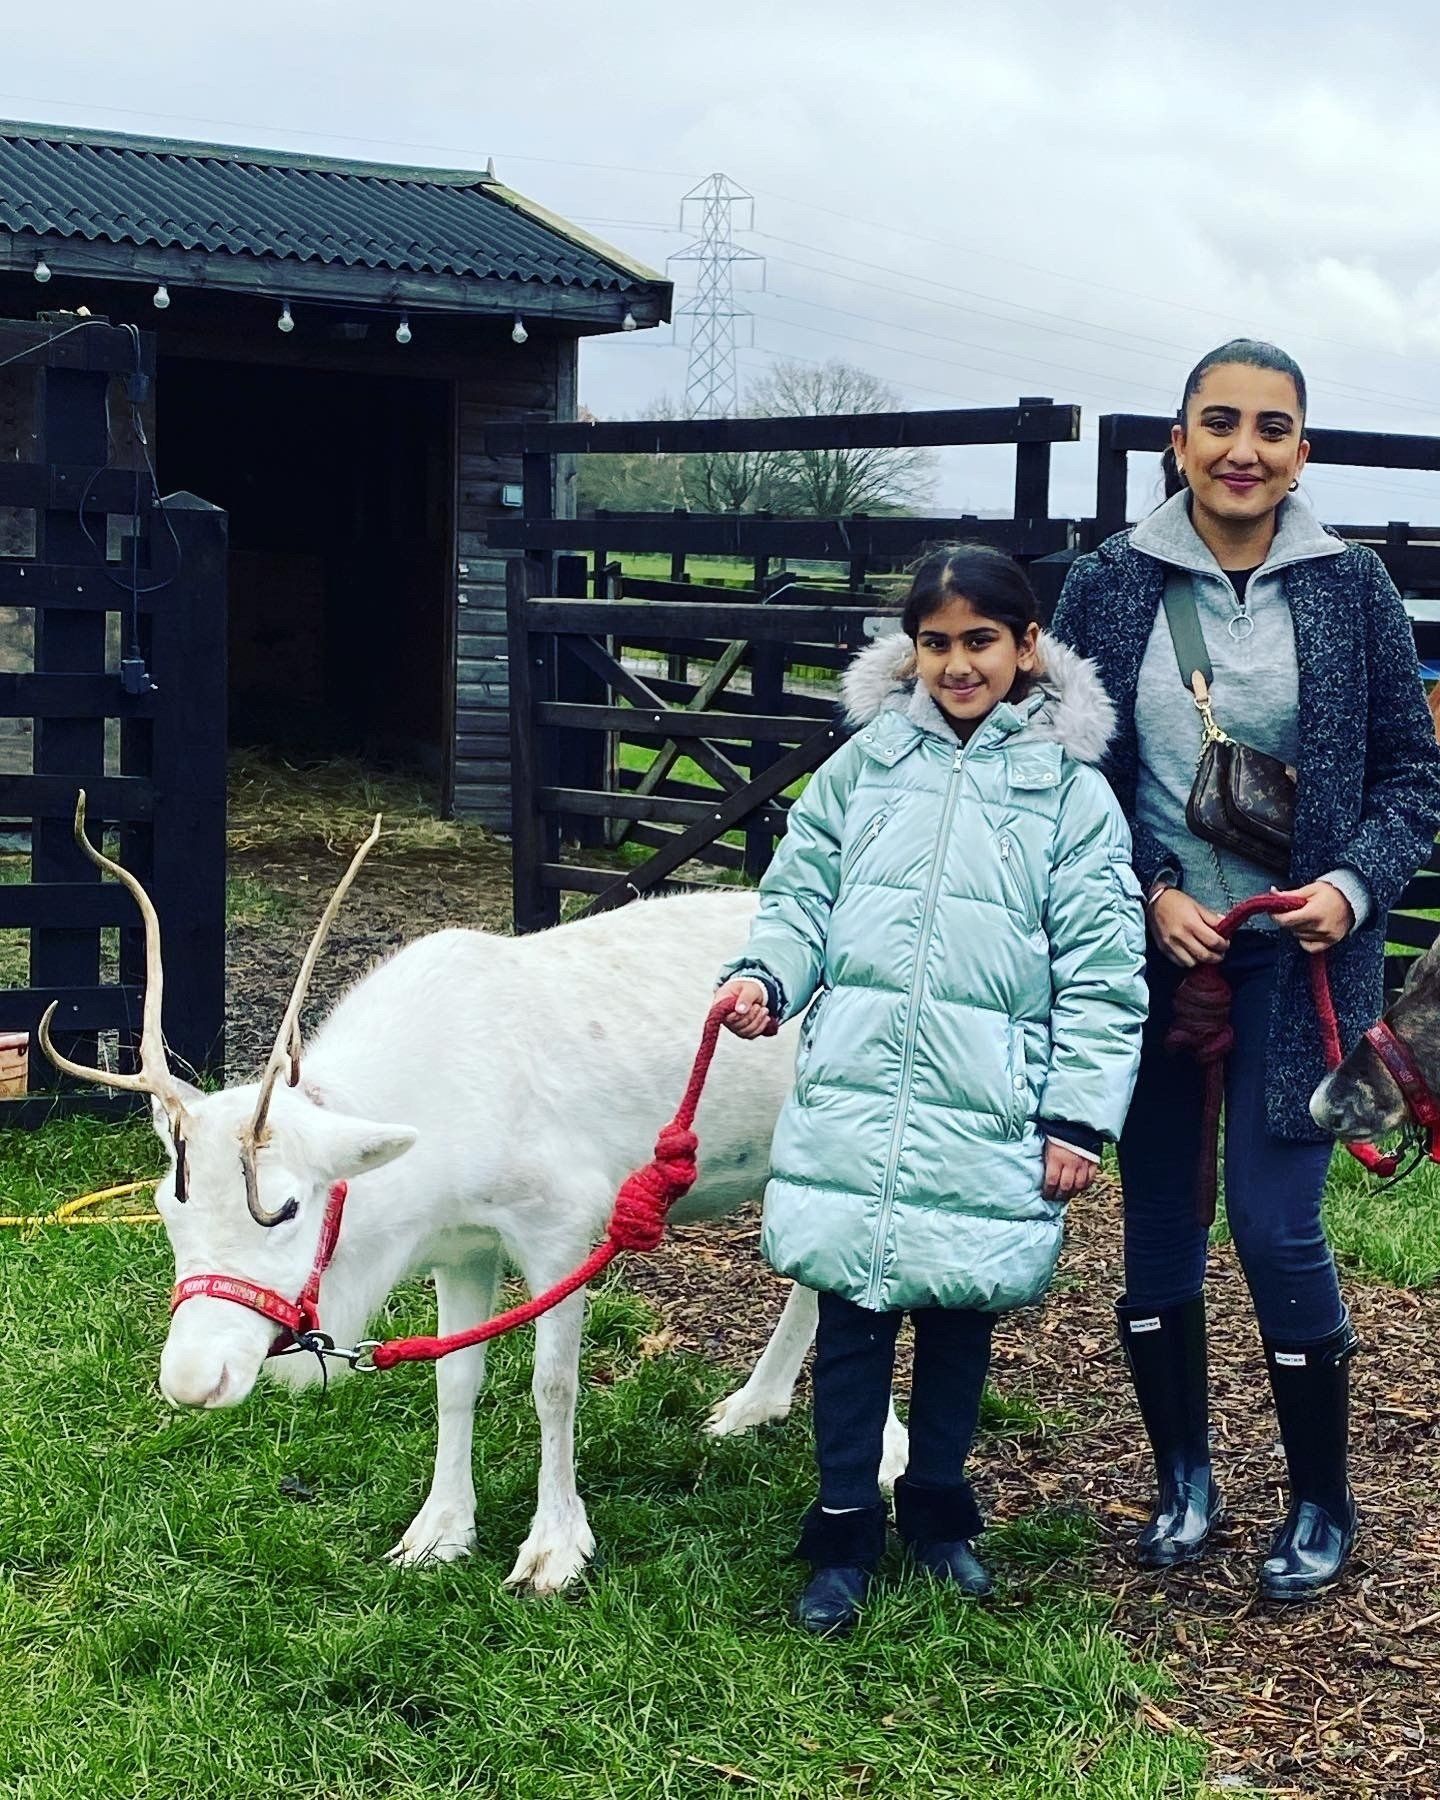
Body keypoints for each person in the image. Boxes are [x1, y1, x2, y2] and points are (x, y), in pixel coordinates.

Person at [1052, 339, 1440, 1601]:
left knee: (1278, 1231)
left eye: (1272, 428)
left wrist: (1349, 887)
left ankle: (1319, 1503)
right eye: (1218, 422)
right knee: (1158, 1224)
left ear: (1301, 453)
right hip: (1149, 955)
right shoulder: (1107, 586)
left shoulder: (1353, 589)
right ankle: (1184, 1481)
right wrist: (1148, 893)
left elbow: (1411, 777)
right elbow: (1064, 775)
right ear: (1176, 442)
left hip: (1302, 956)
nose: (1243, 448)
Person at [716, 545, 1147, 1636]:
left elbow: (1104, 969)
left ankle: (941, 1516)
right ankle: (843, 1530)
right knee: (852, 1318)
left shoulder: (1070, 795)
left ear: (1026, 646)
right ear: (913, 650)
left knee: (959, 1316)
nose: (959, 664)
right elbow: (801, 894)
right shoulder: (863, 771)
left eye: (981, 642)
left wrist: (1077, 1115)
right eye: (939, 643)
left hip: (988, 1109)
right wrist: (768, 976)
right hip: (859, 1092)